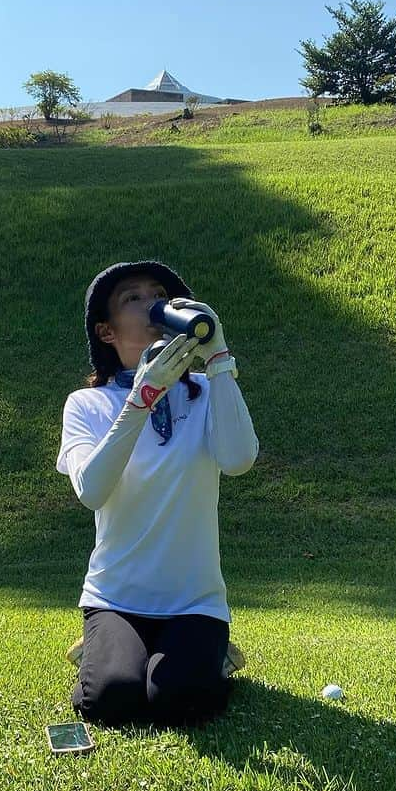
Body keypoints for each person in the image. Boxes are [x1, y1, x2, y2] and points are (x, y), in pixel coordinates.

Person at [55, 260, 260, 727]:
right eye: (135, 298)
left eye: (161, 295)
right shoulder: (88, 404)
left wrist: (219, 359)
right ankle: (102, 647)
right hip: (115, 597)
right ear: (106, 332)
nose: (155, 305)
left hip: (194, 601)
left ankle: (216, 653)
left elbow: (238, 460)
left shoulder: (208, 393)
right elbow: (92, 489)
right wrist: (142, 399)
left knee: (178, 700)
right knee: (111, 700)